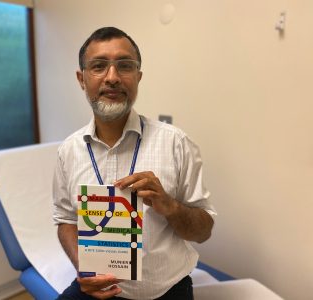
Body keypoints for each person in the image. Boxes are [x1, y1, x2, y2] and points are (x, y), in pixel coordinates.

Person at [53, 26, 216, 300]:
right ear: (82, 79)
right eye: (99, 66)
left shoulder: (177, 144)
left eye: (125, 66)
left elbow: (203, 232)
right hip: (96, 289)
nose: (112, 77)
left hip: (165, 292)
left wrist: (170, 206)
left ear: (138, 77)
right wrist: (82, 267)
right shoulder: (68, 151)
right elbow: (65, 219)